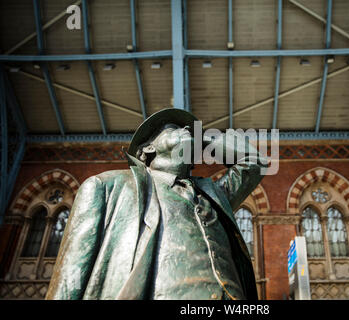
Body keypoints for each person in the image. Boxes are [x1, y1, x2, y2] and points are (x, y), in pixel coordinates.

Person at [46, 108, 268, 300]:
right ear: (148, 149)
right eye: (174, 129)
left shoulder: (214, 194)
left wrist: (203, 140)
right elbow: (70, 275)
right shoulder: (107, 187)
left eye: (189, 130)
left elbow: (255, 163)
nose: (187, 131)